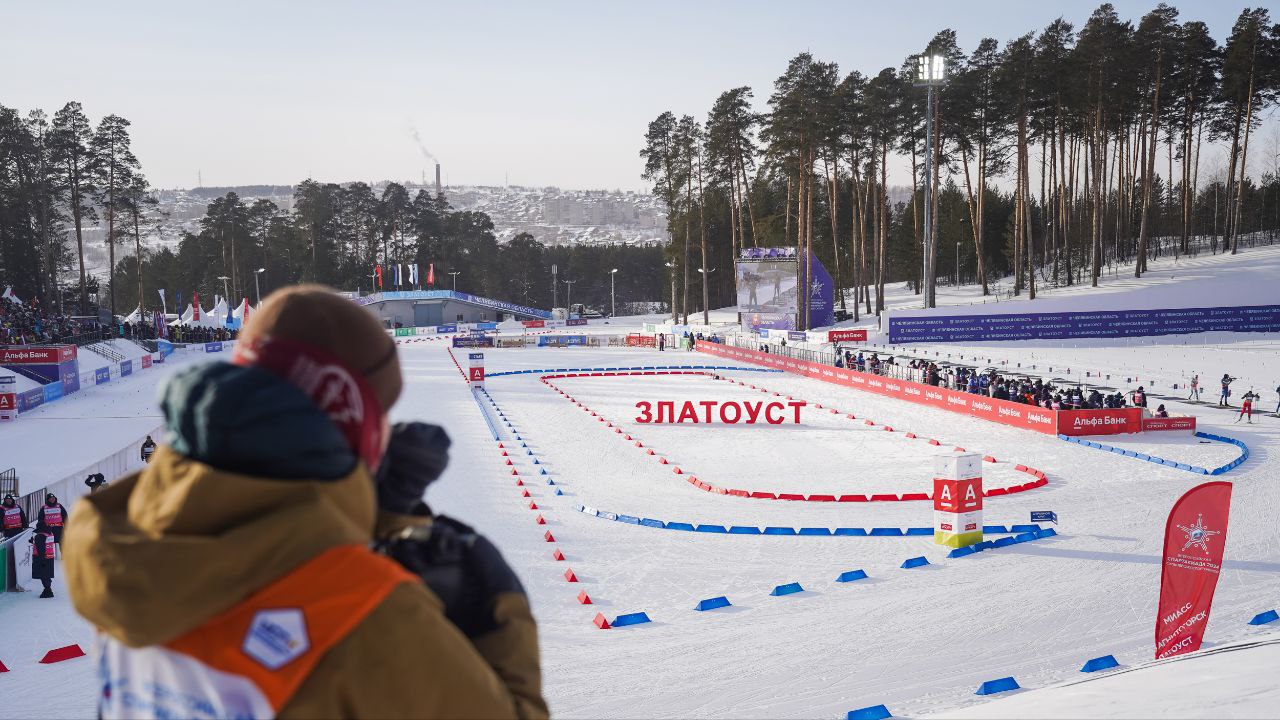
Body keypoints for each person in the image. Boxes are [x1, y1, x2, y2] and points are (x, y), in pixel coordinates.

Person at [63, 285, 547, 719]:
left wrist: (364, 517)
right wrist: (498, 622)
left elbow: (249, 563)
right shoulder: (368, 613)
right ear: (355, 420)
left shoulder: (126, 542)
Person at [30, 530, 56, 598]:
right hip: (49, 557)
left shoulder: (40, 536)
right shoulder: (49, 533)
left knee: (43, 575)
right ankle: (48, 589)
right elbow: (44, 544)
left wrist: (41, 560)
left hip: (42, 558)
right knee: (46, 574)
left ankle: (48, 591)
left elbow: (41, 548)